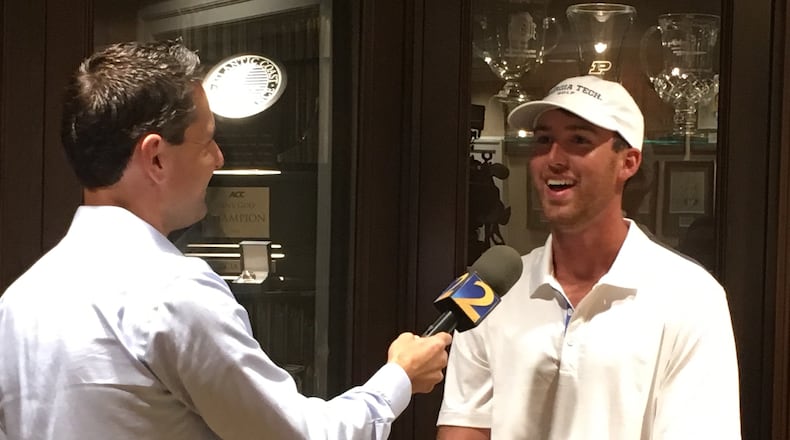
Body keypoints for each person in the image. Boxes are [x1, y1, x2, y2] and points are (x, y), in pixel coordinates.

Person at [0, 39, 452, 440]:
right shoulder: (170, 292)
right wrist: (398, 380)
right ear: (155, 157)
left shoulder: (20, 300)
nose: (218, 159)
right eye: (207, 142)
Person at [436, 75, 741, 439]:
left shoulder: (691, 297)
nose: (553, 159)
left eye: (578, 140)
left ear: (628, 162)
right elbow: (465, 425)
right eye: (543, 140)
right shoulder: (488, 288)